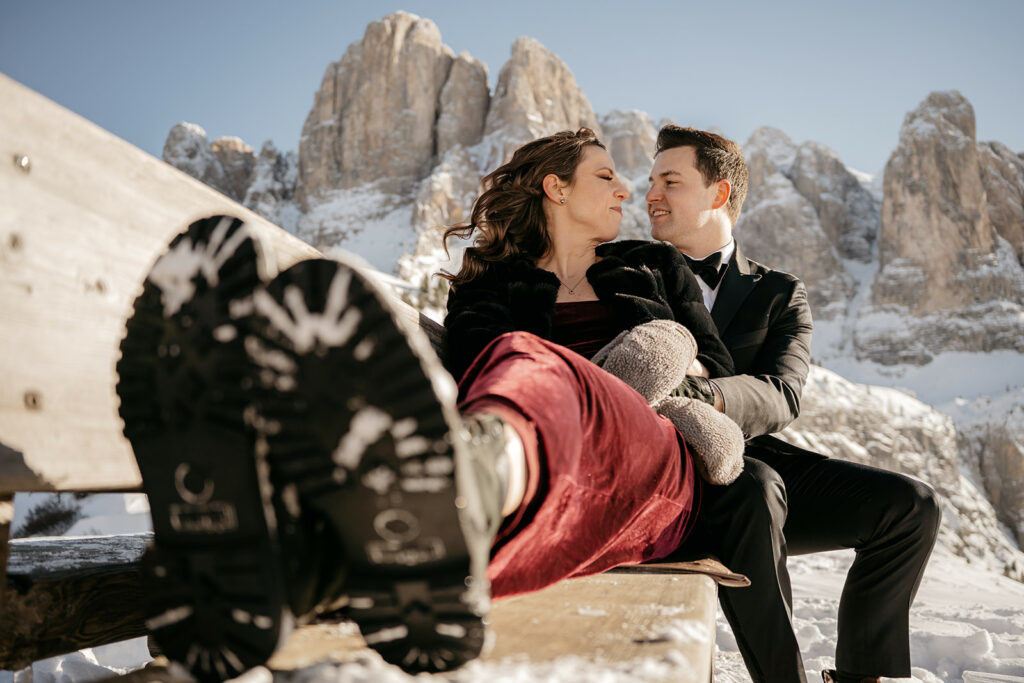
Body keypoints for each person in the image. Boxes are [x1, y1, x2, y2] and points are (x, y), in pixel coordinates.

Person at [115, 129, 742, 682]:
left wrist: (627, 379)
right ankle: (285, 567)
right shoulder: (489, 285)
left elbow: (713, 371)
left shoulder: (653, 265)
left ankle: (437, 499)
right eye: (605, 175)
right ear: (555, 187)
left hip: (654, 460)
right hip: (534, 453)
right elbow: (473, 378)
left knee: (531, 362)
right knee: (518, 368)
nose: (626, 191)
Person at [636, 125, 942, 683]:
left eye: (669, 181)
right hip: (664, 471)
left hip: (753, 455)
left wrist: (704, 391)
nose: (650, 193)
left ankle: (860, 677)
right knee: (759, 488)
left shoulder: (779, 291)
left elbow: (781, 393)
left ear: (719, 193)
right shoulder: (629, 272)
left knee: (912, 507)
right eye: (650, 180)